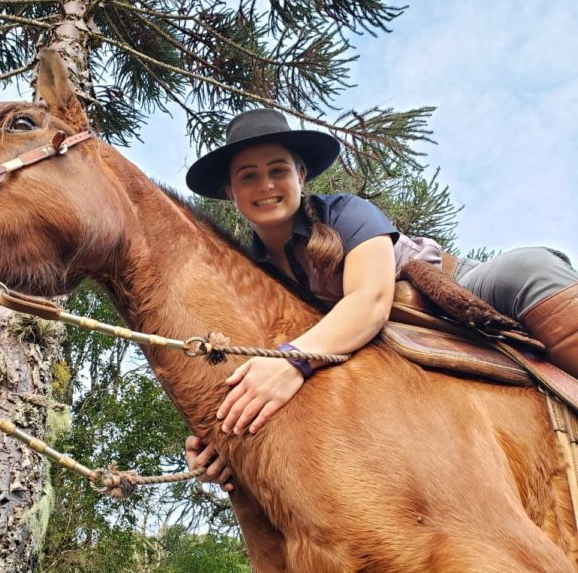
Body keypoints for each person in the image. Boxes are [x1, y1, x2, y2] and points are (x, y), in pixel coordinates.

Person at [182, 107, 578, 491]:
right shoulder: (250, 273)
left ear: (301, 176)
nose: (266, 185)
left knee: (524, 269)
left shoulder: (346, 213)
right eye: (248, 176)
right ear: (230, 193)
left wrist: (293, 359)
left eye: (278, 170)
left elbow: (369, 301)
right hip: (354, 350)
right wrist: (221, 436)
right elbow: (252, 359)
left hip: (437, 295)